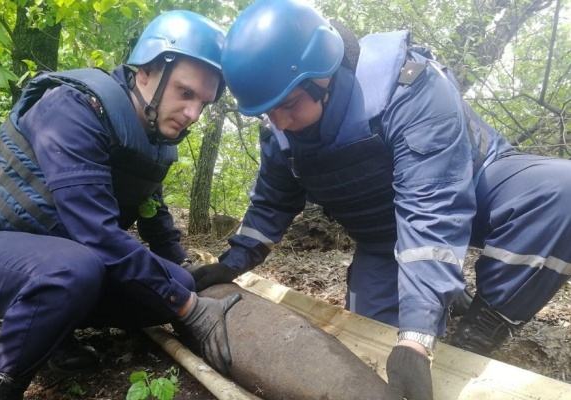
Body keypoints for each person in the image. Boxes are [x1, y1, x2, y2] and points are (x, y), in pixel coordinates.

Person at [187, 0, 571, 399]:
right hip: (383, 238)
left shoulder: (408, 88)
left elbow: (432, 207)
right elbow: (273, 202)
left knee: (560, 192)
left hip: (475, 186)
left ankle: (478, 331)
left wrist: (418, 336)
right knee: (371, 348)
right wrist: (232, 263)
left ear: (325, 77)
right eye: (267, 113)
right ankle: (446, 294)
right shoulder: (279, 131)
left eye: (288, 105)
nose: (280, 123)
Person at [0, 10, 241, 400]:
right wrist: (188, 309)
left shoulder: (150, 138)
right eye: (185, 93)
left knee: (174, 283)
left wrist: (182, 271)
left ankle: (52, 332)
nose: (193, 114)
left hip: (61, 257)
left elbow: (152, 211)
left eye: (204, 102)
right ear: (146, 72)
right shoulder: (74, 108)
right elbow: (95, 232)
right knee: (76, 270)